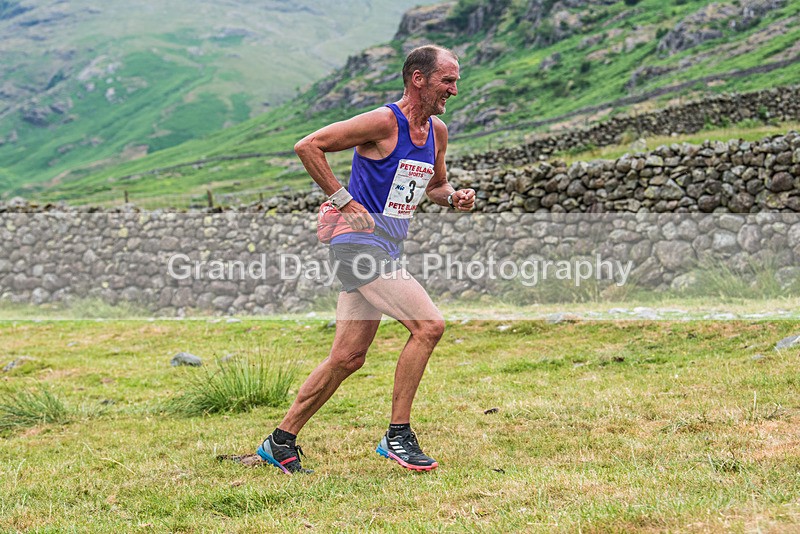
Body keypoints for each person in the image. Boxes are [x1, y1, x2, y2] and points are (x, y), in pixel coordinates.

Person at [257, 44, 475, 474]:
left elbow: (436, 186)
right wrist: (344, 200)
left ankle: (279, 442)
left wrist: (454, 197)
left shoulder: (437, 131)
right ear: (418, 78)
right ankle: (398, 435)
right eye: (447, 81)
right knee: (429, 325)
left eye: (455, 82)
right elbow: (309, 146)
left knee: (347, 358)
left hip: (386, 246)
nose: (453, 89)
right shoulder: (382, 122)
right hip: (356, 245)